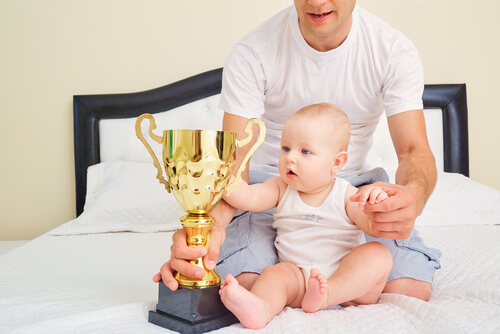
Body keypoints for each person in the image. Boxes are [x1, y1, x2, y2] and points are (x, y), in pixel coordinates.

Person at [154, 0, 442, 301]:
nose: (317, 2)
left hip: (352, 193)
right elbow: (235, 169)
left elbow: (413, 151)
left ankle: (320, 291)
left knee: (410, 291)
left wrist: (414, 195)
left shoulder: (392, 50)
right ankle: (314, 286)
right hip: (272, 191)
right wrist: (208, 234)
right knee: (243, 284)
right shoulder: (253, 52)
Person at [219, 103, 393, 329]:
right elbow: (248, 197)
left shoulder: (345, 194)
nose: (290, 158)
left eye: (305, 152)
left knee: (378, 254)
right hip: (299, 278)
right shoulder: (280, 188)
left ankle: (327, 296)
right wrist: (223, 177)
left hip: (349, 282)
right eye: (285, 148)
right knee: (274, 274)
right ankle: (260, 308)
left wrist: (375, 199)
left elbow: (371, 224)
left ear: (336, 163)